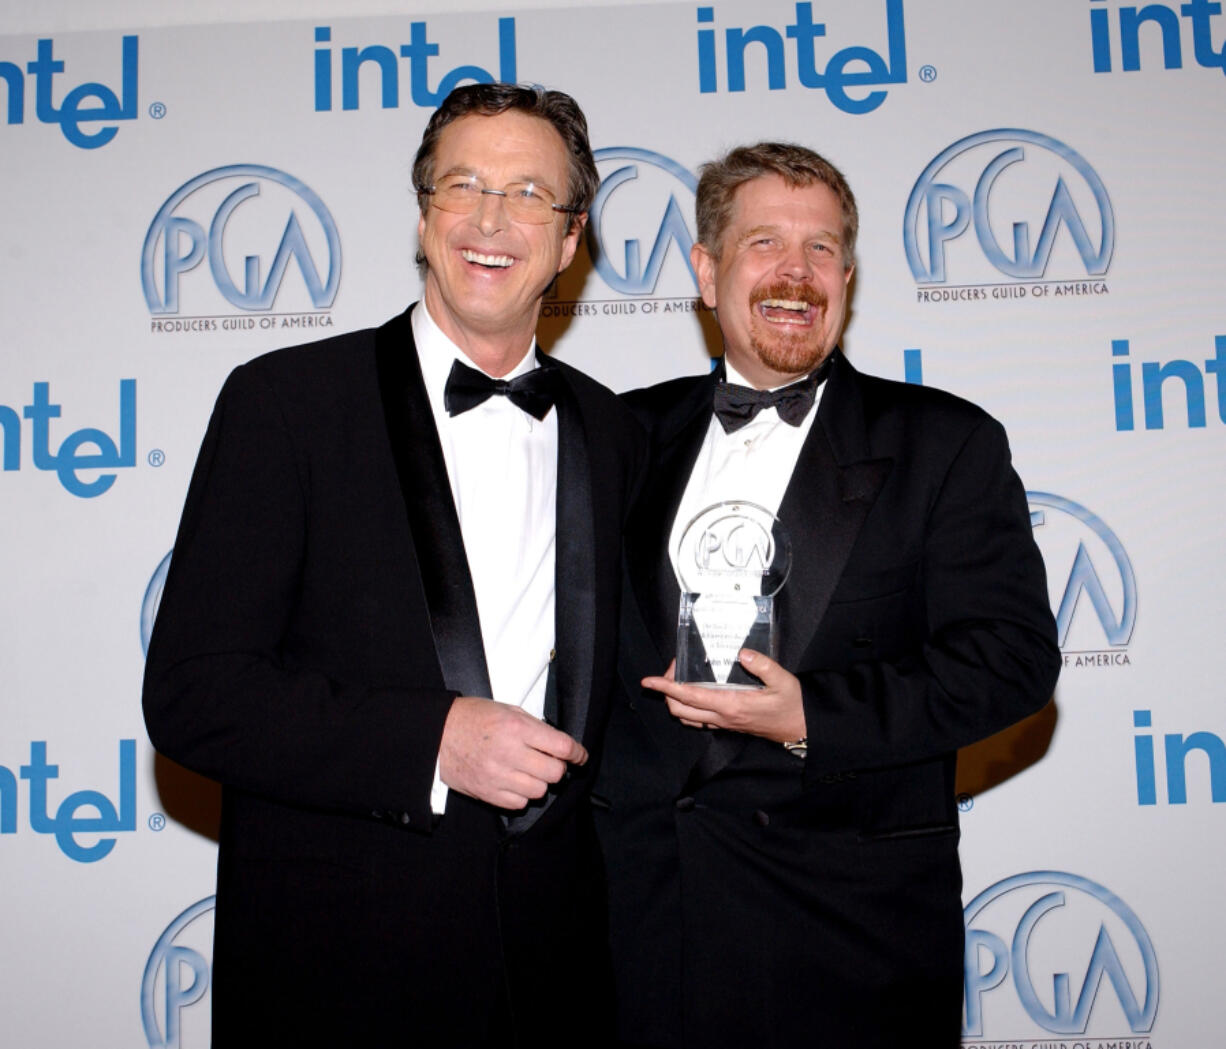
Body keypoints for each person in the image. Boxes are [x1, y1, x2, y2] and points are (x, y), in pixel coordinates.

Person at [143, 83, 643, 1048]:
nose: (493, 220)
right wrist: (432, 742)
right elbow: (195, 694)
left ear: (571, 237)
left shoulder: (613, 431)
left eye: (531, 194)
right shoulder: (285, 404)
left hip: (559, 975)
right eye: (464, 186)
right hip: (340, 972)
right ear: (424, 216)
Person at [593, 142, 1060, 1048]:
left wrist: (814, 713)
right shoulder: (619, 434)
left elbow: (1011, 661)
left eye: (822, 250)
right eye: (764, 242)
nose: (795, 274)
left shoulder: (944, 443)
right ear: (706, 270)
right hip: (633, 932)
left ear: (848, 274)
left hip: (846, 943)